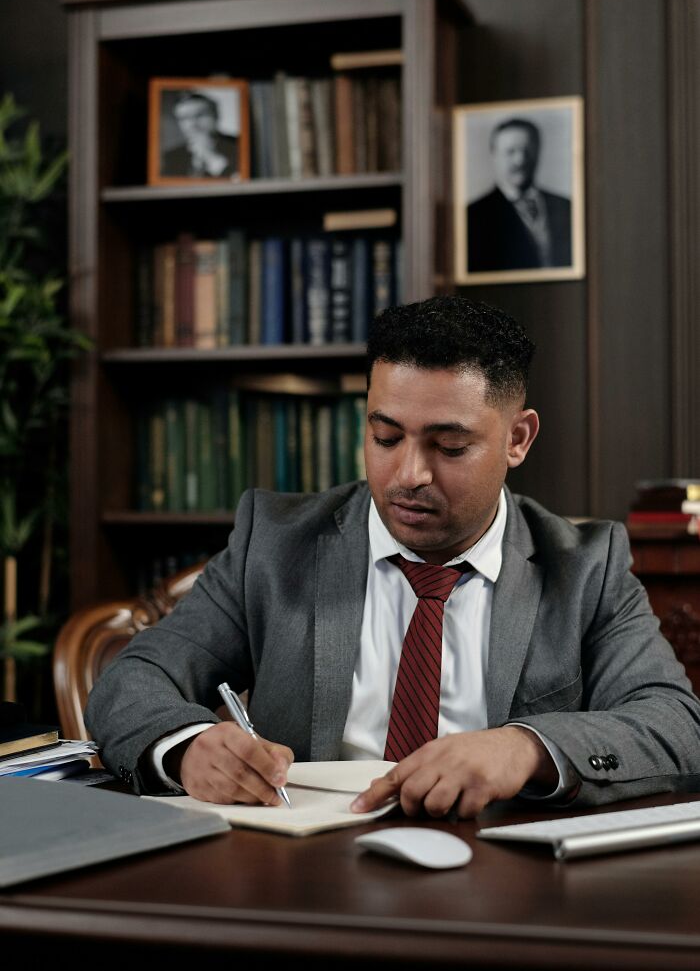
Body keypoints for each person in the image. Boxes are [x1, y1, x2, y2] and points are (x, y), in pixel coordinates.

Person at [85, 297, 700, 819]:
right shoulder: (274, 543)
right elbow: (133, 680)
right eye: (385, 438)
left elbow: (676, 724)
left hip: (501, 880)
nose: (409, 474)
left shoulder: (586, 568)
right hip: (303, 875)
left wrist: (525, 749)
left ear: (517, 439)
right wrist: (189, 746)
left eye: (450, 446)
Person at [467, 118, 572, 273]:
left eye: (527, 151)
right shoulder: (474, 215)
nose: (520, 160)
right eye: (511, 152)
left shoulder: (566, 206)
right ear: (494, 155)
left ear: (538, 152)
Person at [161, 90, 239, 179]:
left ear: (216, 115)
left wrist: (212, 157)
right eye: (184, 118)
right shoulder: (171, 157)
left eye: (200, 115)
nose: (192, 124)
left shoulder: (239, 145)